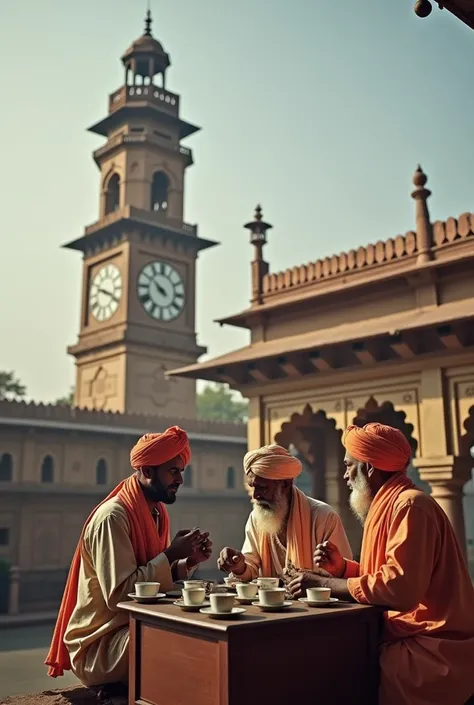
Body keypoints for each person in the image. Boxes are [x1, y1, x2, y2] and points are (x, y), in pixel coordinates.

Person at [288, 422, 474, 705]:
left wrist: (324, 583)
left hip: (431, 648)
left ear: (370, 468)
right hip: (410, 638)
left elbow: (400, 589)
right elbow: (392, 576)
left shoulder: (410, 506)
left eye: (350, 466)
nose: (345, 475)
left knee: (339, 672)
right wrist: (343, 569)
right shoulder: (390, 505)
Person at [45, 426, 212, 691]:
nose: (180, 479)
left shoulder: (156, 513)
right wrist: (170, 554)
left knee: (208, 629)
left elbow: (150, 574)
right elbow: (120, 594)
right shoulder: (113, 517)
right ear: (147, 471)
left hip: (132, 627)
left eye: (181, 471)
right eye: (173, 471)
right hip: (102, 644)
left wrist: (186, 562)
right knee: (190, 643)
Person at [218, 444, 352, 581]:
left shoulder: (324, 517)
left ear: (286, 484)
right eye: (253, 487)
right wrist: (238, 566)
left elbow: (342, 574)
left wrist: (314, 583)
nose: (255, 496)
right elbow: (250, 568)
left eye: (262, 488)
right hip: (268, 602)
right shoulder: (257, 517)